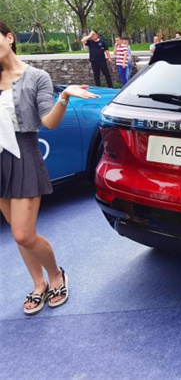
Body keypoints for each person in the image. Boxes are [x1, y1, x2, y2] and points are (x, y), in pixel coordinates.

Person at [0, 21, 100, 315]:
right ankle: (38, 283)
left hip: (23, 155)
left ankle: (56, 275)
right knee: (16, 231)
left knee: (23, 234)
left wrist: (64, 98)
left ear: (9, 37)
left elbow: (49, 122)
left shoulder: (36, 77)